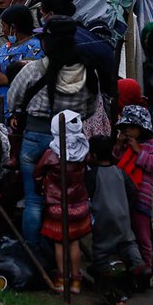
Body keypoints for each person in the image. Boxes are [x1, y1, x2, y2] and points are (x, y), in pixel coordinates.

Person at [7, 15, 98, 247]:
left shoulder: (34, 70)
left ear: (47, 42)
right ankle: (65, 251)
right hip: (70, 146)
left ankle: (34, 254)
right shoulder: (88, 72)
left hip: (34, 141)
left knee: (34, 200)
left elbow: (13, 100)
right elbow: (90, 109)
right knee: (66, 201)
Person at [33, 110, 91, 294]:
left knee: (60, 244)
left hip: (57, 205)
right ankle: (76, 280)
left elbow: (37, 174)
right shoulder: (83, 151)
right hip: (78, 204)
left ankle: (62, 278)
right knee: (74, 243)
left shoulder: (51, 154)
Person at [85, 135, 148, 281]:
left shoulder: (92, 175)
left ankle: (102, 269)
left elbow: (86, 194)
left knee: (101, 246)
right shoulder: (120, 172)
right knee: (128, 243)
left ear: (93, 155)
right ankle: (138, 264)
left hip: (102, 218)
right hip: (123, 216)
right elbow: (132, 191)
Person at [115, 105, 153, 275]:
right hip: (124, 198)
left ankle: (147, 266)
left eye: (132, 127)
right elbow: (116, 164)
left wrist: (138, 151)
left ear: (142, 129)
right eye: (125, 127)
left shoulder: (151, 146)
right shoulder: (124, 145)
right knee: (127, 234)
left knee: (143, 235)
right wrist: (119, 145)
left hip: (142, 197)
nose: (128, 131)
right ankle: (133, 265)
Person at [0, 4, 44, 122]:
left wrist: (6, 80)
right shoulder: (5, 48)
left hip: (15, 115)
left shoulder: (35, 48)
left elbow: (36, 81)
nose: (1, 31)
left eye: (4, 26)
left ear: (13, 28)